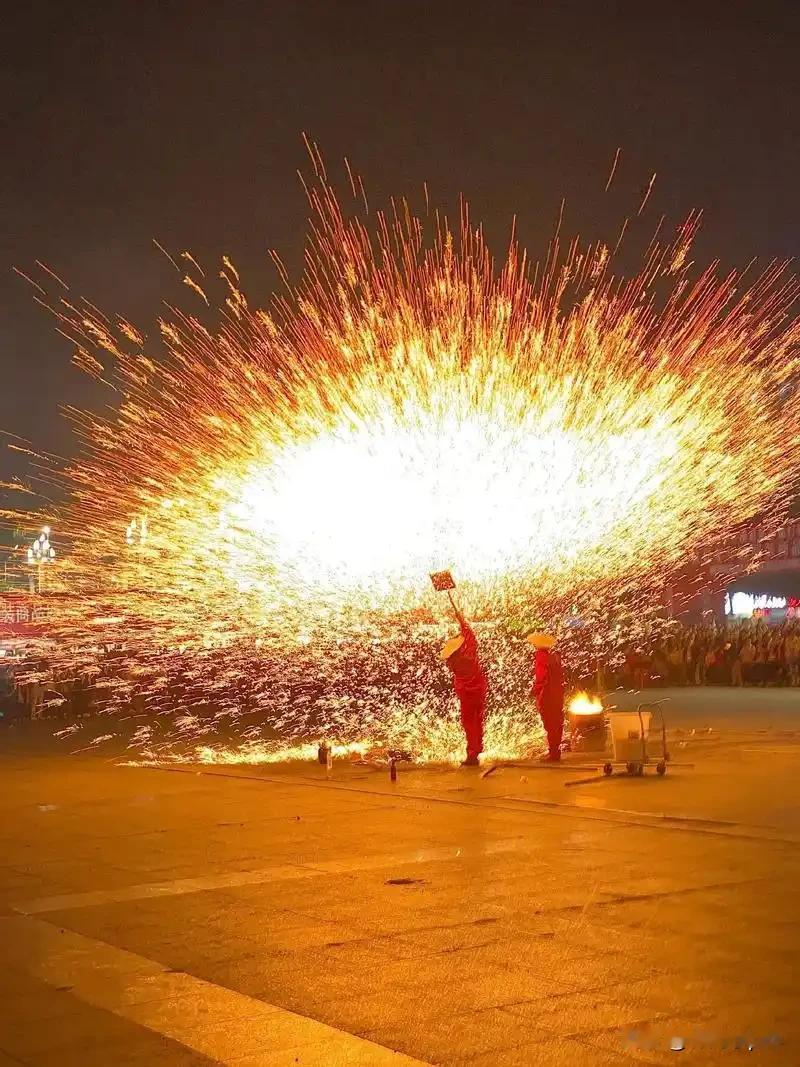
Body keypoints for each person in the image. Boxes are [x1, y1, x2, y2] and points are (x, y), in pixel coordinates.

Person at [440, 608, 487, 767]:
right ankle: (477, 749)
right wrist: (461, 620)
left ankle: (472, 754)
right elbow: (470, 635)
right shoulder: (471, 653)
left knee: (469, 723)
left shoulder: (456, 663)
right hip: (479, 690)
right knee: (478, 720)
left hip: (467, 695)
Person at [528, 632, 565, 761]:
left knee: (550, 723)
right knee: (557, 722)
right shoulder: (554, 657)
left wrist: (535, 690)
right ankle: (556, 750)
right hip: (557, 694)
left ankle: (553, 752)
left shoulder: (541, 657)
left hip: (547, 695)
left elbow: (541, 677)